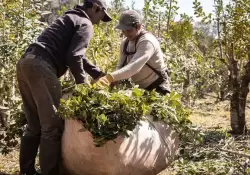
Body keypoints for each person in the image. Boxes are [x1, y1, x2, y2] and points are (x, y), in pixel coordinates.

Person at [16, 0, 112, 175]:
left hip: (26, 63)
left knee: (34, 124)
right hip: (42, 67)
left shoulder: (71, 18)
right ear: (96, 8)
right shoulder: (85, 23)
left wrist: (98, 73)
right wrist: (84, 89)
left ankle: (26, 171)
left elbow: (75, 55)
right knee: (52, 126)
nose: (98, 22)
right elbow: (74, 57)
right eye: (100, 16)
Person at [97, 10, 171, 95]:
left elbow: (134, 67)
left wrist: (109, 77)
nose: (125, 34)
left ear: (139, 26)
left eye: (129, 30)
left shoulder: (147, 41)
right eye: (123, 30)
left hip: (158, 87)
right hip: (140, 89)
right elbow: (120, 66)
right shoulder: (125, 43)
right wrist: (114, 81)